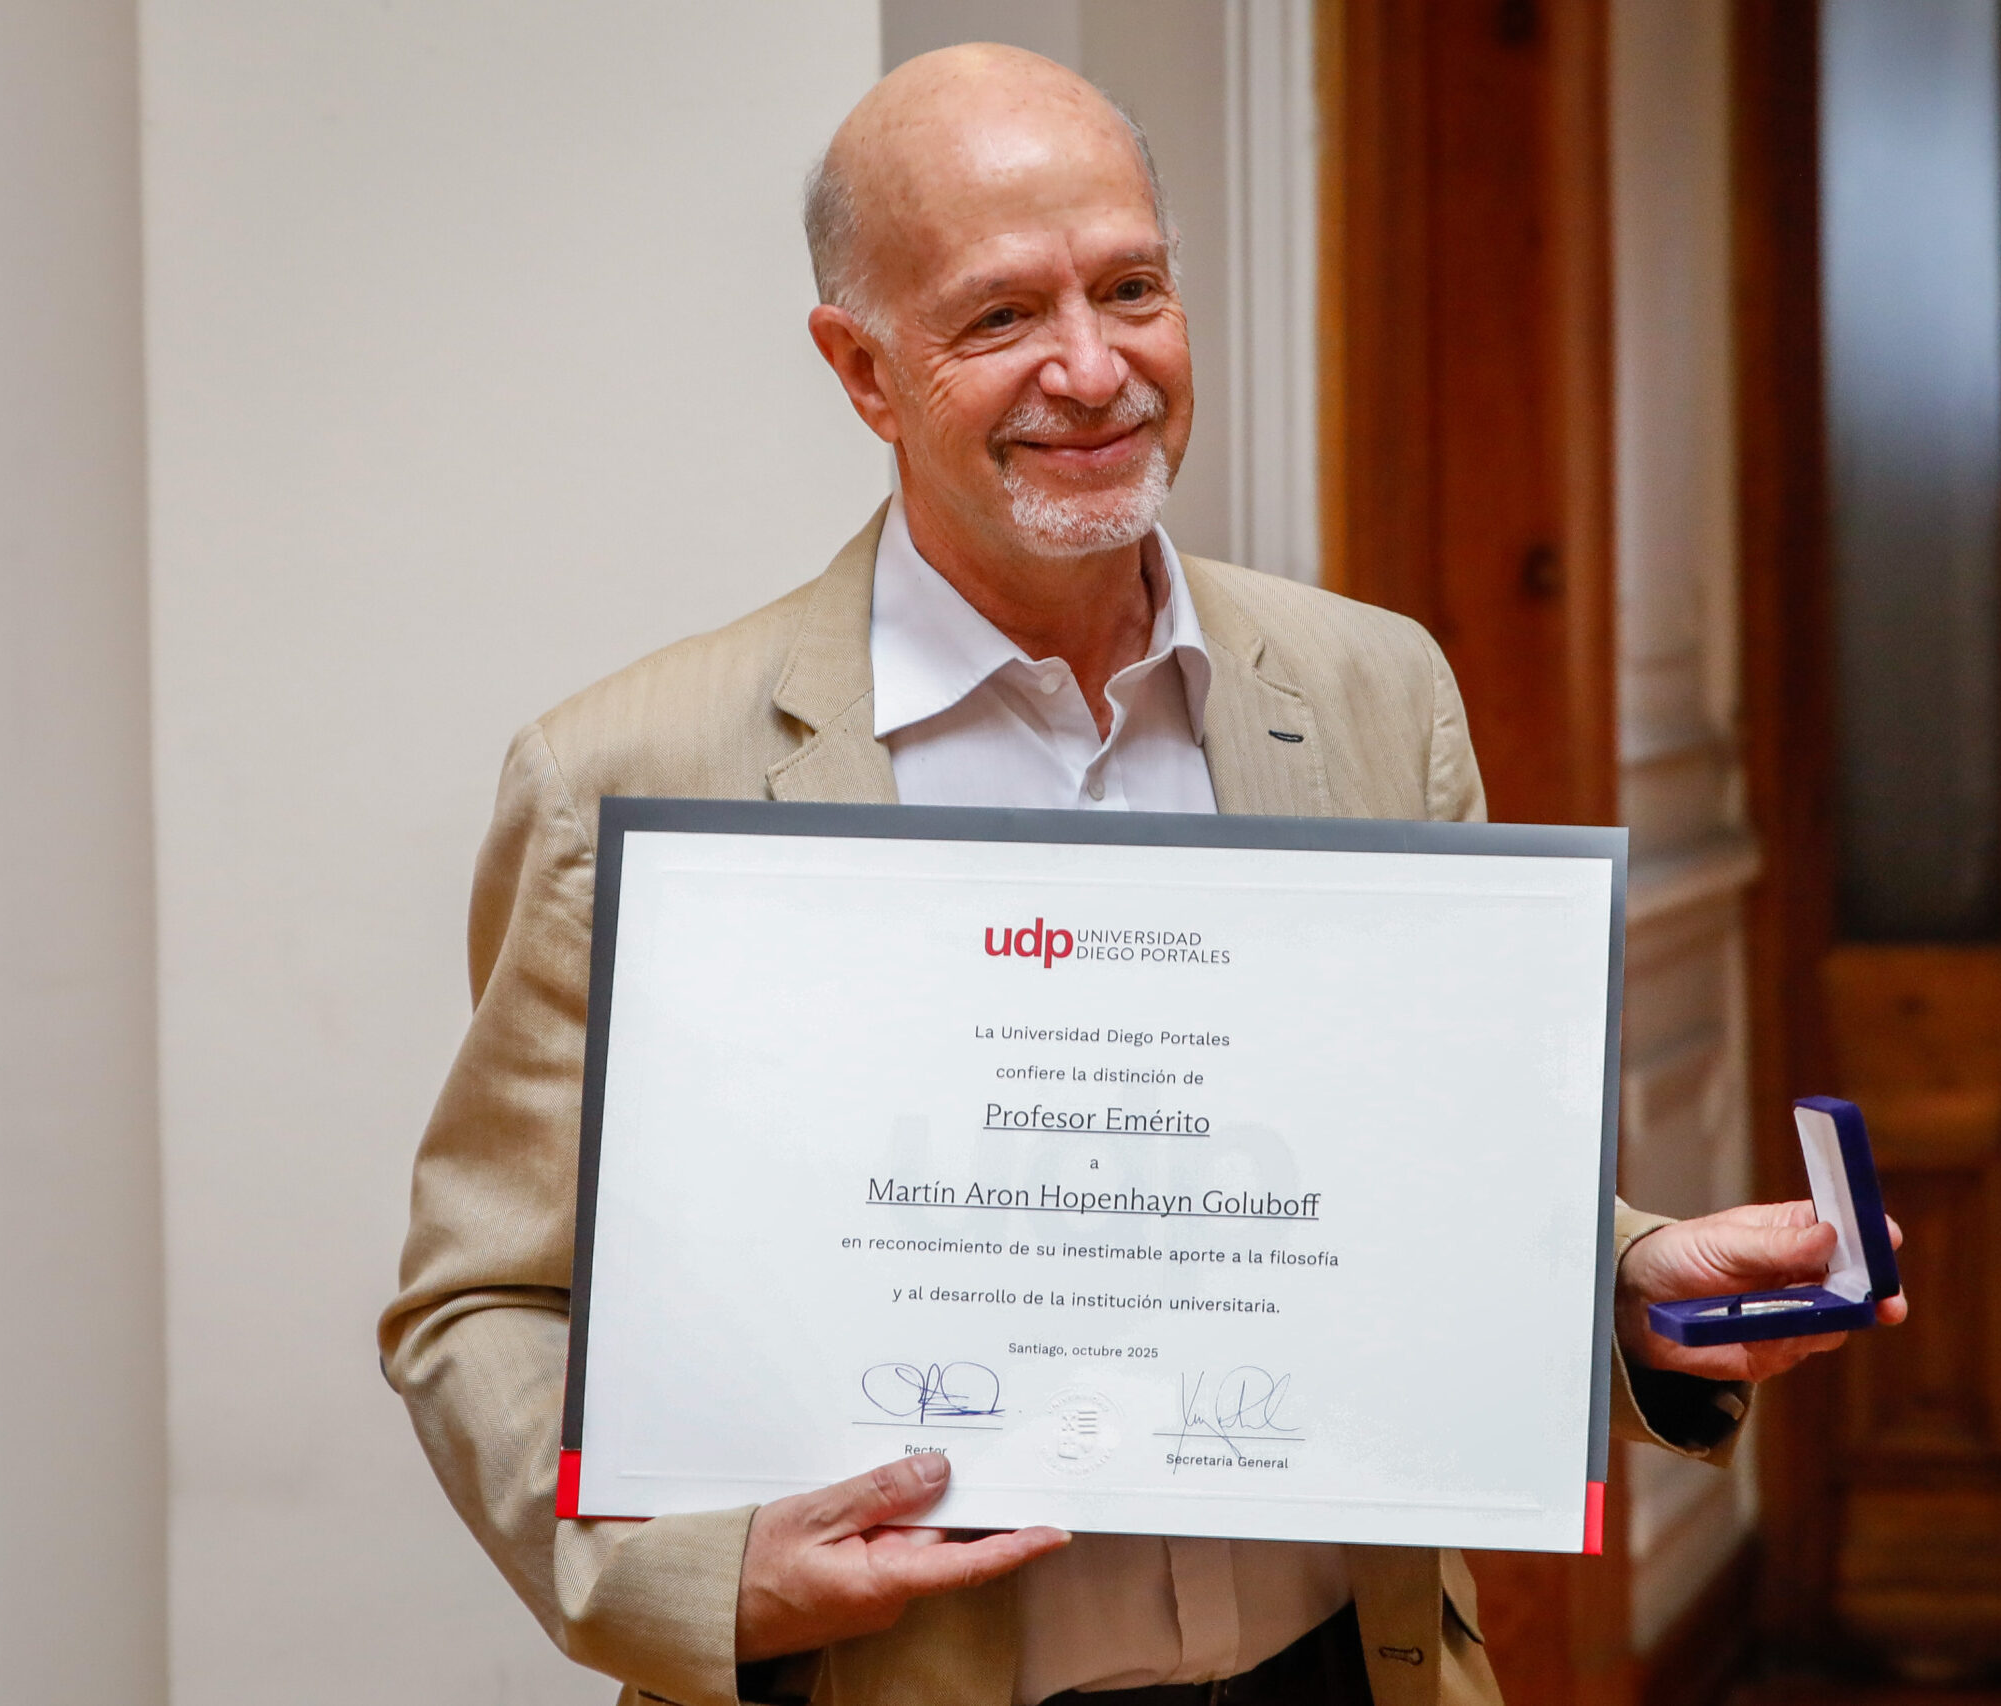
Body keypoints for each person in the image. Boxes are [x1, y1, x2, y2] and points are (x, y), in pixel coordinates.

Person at [379, 43, 1906, 1706]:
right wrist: (698, 1578)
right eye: (1001, 316)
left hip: (1347, 1671)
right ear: (863, 370)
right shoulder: (628, 772)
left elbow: (1408, 1188)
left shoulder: (1376, 690)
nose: (1095, 370)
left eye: (1131, 288)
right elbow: (483, 1299)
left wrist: (1619, 1285)